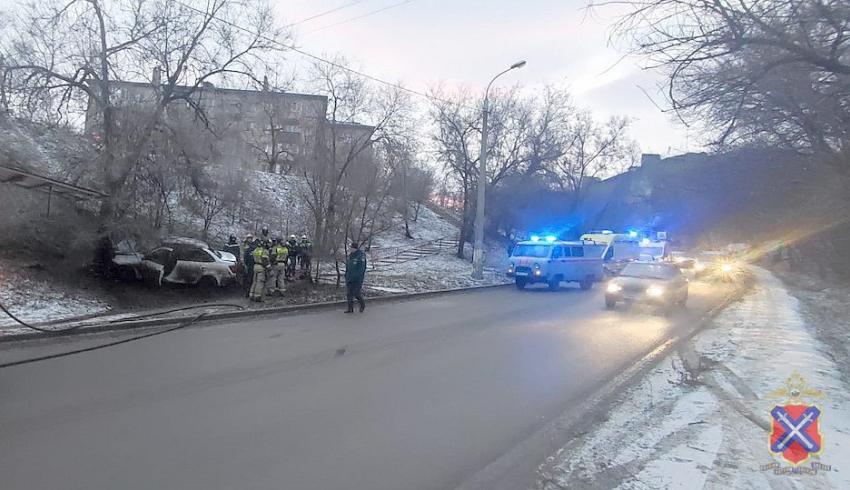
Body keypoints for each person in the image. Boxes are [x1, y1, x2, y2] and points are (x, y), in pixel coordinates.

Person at [344, 241, 367, 314]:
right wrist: (346, 274)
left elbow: (362, 268)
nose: (350, 249)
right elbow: (349, 266)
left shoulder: (360, 256)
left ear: (355, 248)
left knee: (356, 293)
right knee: (349, 294)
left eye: (351, 248)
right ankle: (350, 309)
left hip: (357, 279)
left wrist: (356, 276)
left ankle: (362, 304)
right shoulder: (351, 255)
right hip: (349, 277)